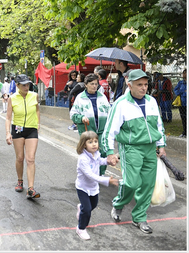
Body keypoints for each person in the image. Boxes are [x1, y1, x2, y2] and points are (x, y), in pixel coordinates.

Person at [102, 69, 167, 234]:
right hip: (131, 148)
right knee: (131, 183)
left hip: (150, 148)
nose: (144, 88)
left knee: (147, 184)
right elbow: (110, 131)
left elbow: (158, 125)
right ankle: (118, 204)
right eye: (139, 85)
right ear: (129, 85)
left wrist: (161, 144)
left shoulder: (151, 101)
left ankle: (139, 217)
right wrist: (110, 151)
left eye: (145, 84)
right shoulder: (121, 104)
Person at [75, 131, 118, 240]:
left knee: (93, 205)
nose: (94, 144)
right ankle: (81, 228)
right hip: (83, 187)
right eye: (90, 142)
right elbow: (90, 175)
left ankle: (81, 208)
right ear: (84, 144)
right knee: (88, 210)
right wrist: (107, 180)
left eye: (95, 141)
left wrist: (109, 162)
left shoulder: (96, 154)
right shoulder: (83, 159)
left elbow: (101, 161)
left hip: (93, 187)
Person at [5, 74, 41, 199]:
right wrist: (8, 133)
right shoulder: (12, 98)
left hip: (31, 129)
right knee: (20, 158)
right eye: (24, 85)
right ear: (17, 85)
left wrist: (38, 124)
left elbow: (37, 109)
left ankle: (31, 189)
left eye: (28, 84)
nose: (26, 87)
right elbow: (8, 117)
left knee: (30, 159)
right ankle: (20, 180)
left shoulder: (34, 95)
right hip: (18, 129)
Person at [70, 73, 111, 176]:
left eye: (96, 84)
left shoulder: (102, 98)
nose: (94, 86)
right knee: (90, 154)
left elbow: (109, 112)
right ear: (86, 85)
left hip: (101, 131)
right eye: (92, 84)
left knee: (103, 152)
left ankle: (99, 174)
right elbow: (73, 114)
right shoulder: (80, 98)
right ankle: (89, 173)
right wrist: (81, 118)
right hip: (87, 131)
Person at [174, 69, 187, 137]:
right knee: (183, 118)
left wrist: (184, 92)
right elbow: (176, 90)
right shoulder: (181, 83)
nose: (183, 75)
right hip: (182, 103)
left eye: (185, 73)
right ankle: (185, 132)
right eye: (183, 73)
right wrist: (183, 91)